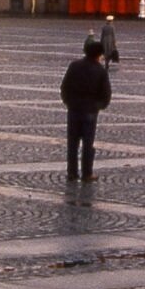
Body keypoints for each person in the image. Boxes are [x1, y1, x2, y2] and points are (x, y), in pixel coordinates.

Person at [61, 36, 112, 181]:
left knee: (72, 143)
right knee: (88, 144)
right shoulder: (100, 70)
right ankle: (87, 173)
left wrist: (68, 101)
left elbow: (65, 86)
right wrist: (100, 106)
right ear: (98, 54)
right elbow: (106, 92)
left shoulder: (74, 65)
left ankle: (72, 172)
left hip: (74, 108)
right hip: (90, 110)